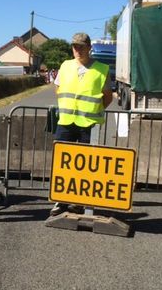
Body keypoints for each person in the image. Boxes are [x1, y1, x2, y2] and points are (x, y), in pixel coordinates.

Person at [50, 32, 113, 216]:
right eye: (75, 46)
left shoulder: (102, 69)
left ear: (89, 48)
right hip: (66, 121)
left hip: (89, 122)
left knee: (85, 164)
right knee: (62, 162)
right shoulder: (65, 65)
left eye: (81, 47)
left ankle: (77, 201)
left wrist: (94, 110)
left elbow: (107, 96)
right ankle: (60, 200)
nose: (77, 50)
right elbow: (58, 88)